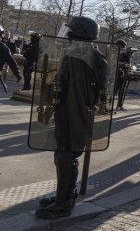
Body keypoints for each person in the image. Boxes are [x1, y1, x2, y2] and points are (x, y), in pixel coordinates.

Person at [35, 16, 109, 219]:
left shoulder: (79, 56)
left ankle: (62, 204)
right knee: (68, 156)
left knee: (65, 156)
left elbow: (72, 90)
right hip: (75, 114)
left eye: (71, 31)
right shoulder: (89, 55)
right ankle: (66, 196)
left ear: (78, 33)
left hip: (72, 114)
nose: (67, 34)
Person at [114, 39, 132, 111]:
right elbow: (115, 62)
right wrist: (124, 65)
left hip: (118, 74)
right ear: (120, 46)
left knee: (117, 91)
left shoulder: (118, 53)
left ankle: (117, 106)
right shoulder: (116, 53)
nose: (123, 49)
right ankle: (118, 106)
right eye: (123, 47)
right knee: (119, 91)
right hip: (119, 75)